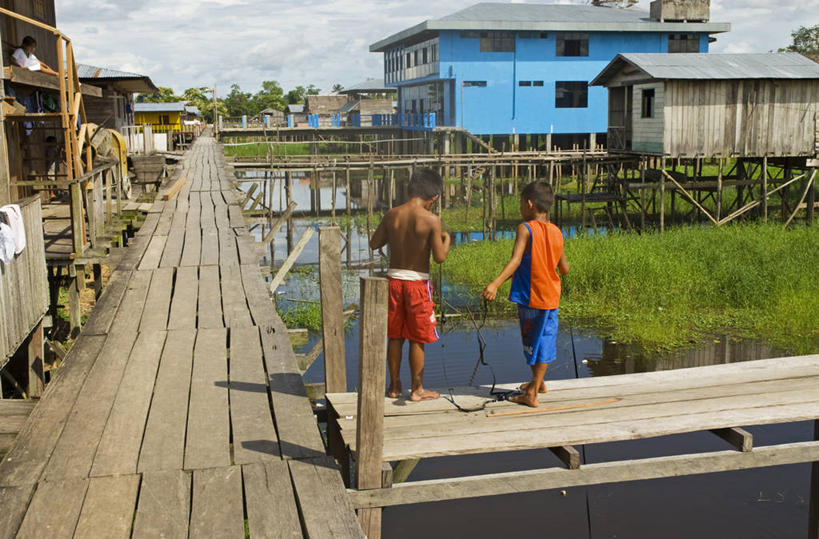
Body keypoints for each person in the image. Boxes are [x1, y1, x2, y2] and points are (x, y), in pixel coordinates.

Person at [481, 181, 569, 408]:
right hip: (551, 296)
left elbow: (516, 260)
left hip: (533, 296)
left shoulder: (525, 228)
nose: (520, 207)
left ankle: (532, 394)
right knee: (545, 339)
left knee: (532, 340)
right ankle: (537, 383)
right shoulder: (556, 231)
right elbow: (565, 268)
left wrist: (495, 284)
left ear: (529, 204)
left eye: (521, 202)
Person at [369, 168, 450, 401]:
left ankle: (394, 386)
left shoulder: (392, 214)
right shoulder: (431, 220)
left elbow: (375, 243)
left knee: (395, 336)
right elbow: (439, 257)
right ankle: (417, 389)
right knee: (417, 337)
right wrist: (446, 239)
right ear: (434, 197)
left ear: (408, 189)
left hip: (393, 281)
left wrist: (394, 235)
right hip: (417, 284)